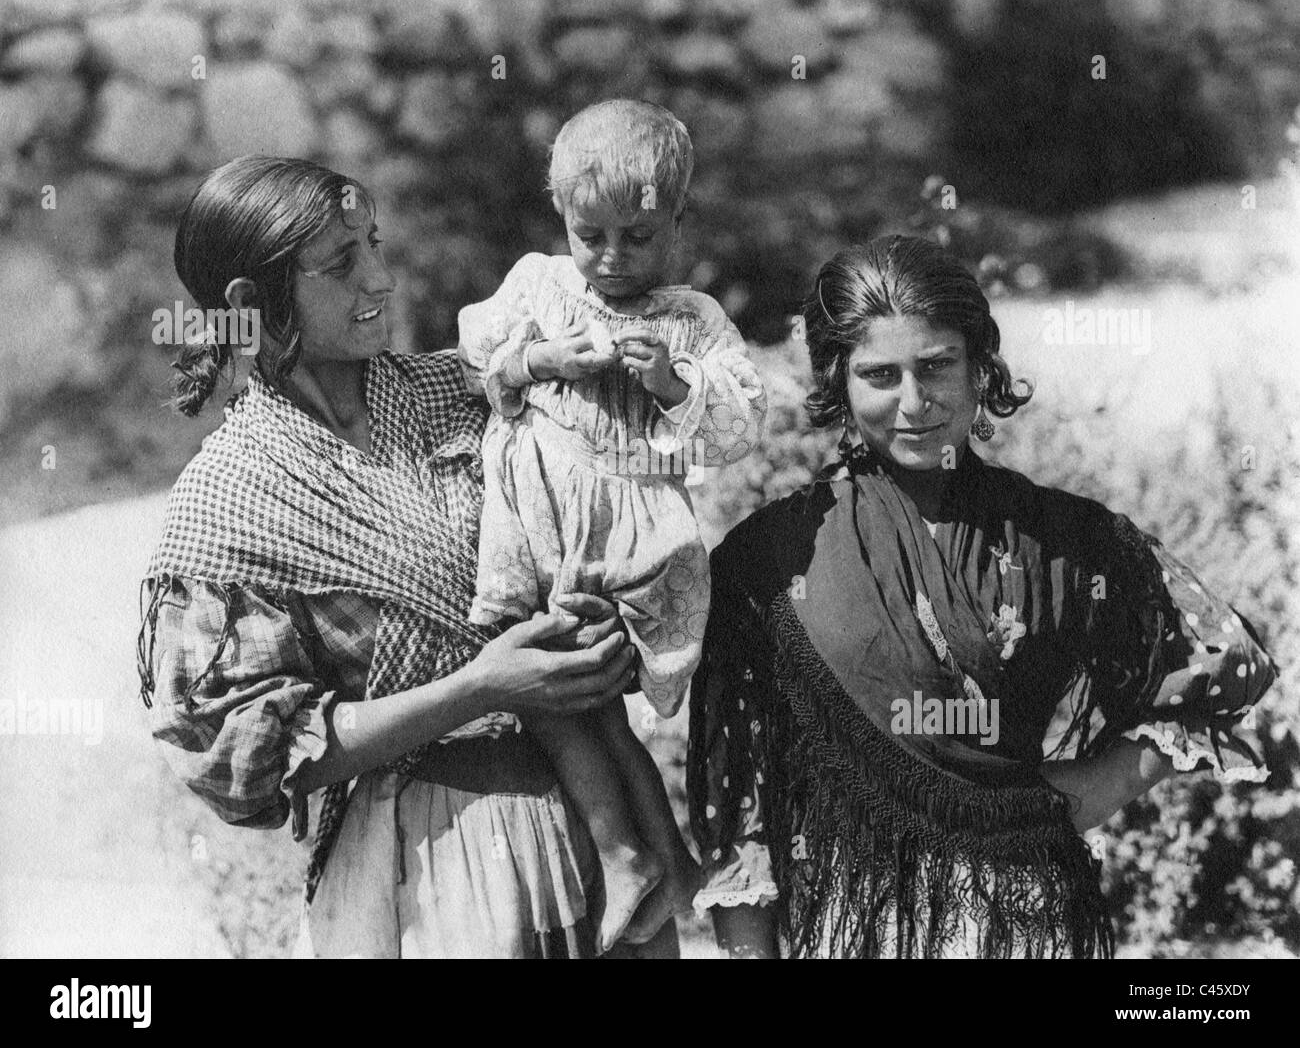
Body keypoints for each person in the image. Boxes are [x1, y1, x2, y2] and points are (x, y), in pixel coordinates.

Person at [137, 154, 670, 959]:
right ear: (251, 304)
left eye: (375, 246)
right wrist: (478, 687)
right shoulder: (231, 502)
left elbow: (610, 508)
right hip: (430, 869)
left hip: (597, 827)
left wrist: (610, 624)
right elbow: (247, 761)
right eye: (343, 263)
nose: (380, 280)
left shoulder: (468, 391)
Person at [687, 234, 1278, 958]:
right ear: (838, 381)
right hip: (854, 928)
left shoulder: (1064, 540)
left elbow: (1222, 659)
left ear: (978, 367)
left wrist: (1083, 791)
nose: (914, 402)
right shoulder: (772, 561)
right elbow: (740, 812)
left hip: (1027, 922)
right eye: (880, 374)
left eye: (936, 365)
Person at [457, 99, 767, 950]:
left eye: (638, 236)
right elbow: (478, 356)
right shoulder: (540, 285)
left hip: (627, 536)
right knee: (564, 687)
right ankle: (649, 852)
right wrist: (540, 359)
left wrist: (673, 383)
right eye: (590, 234)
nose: (611, 257)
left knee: (583, 688)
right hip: (536, 527)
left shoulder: (690, 319)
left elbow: (739, 425)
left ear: (678, 223)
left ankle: (638, 851)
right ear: (561, 218)